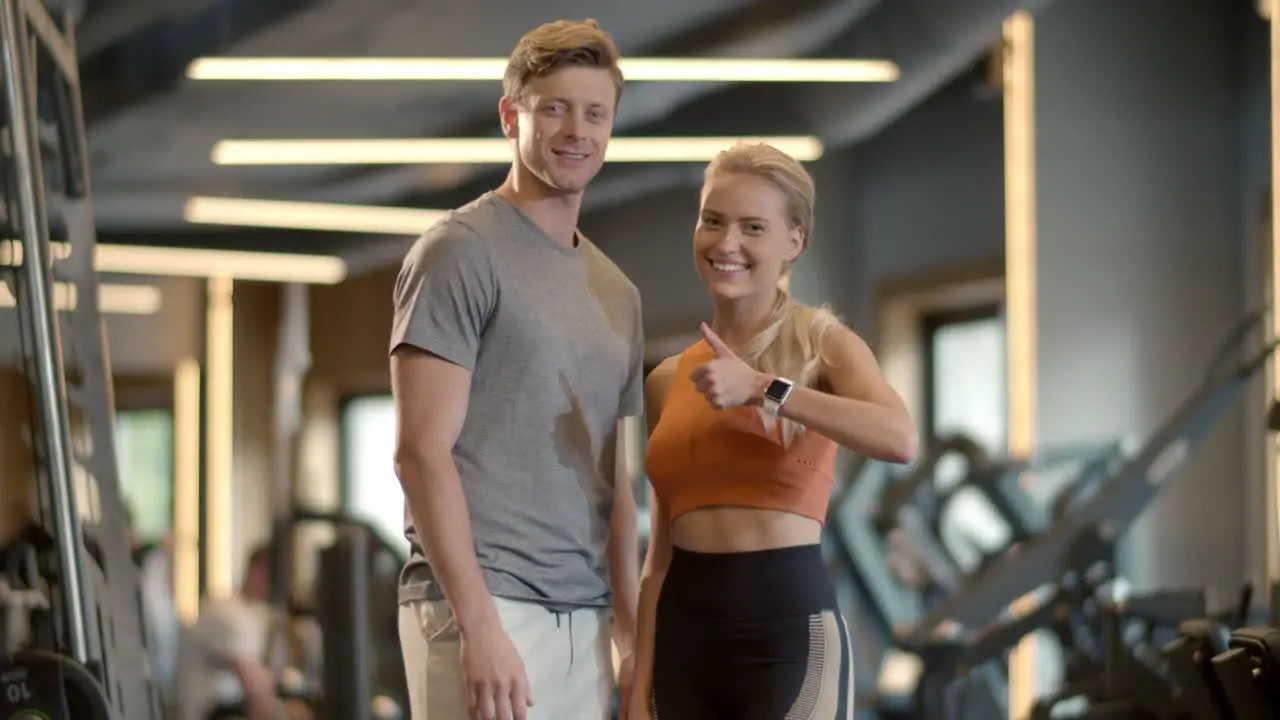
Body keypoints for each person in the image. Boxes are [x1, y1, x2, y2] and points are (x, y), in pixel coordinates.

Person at [389, 17, 644, 720]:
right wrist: (478, 624)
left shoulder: (618, 293)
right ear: (511, 116)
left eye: (595, 113)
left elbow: (613, 481)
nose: (576, 131)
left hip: (587, 617)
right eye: (554, 107)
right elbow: (419, 452)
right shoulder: (459, 252)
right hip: (482, 603)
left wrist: (628, 627)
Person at [628, 143, 919, 719]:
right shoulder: (667, 380)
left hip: (788, 639)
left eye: (752, 227)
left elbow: (899, 437)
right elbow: (658, 560)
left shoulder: (823, 344)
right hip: (683, 644)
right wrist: (637, 688)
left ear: (794, 241)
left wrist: (765, 390)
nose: (726, 243)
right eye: (713, 220)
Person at [178, 544, 319, 720]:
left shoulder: (254, 614)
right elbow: (254, 687)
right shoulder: (224, 612)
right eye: (275, 577)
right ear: (258, 571)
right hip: (212, 712)